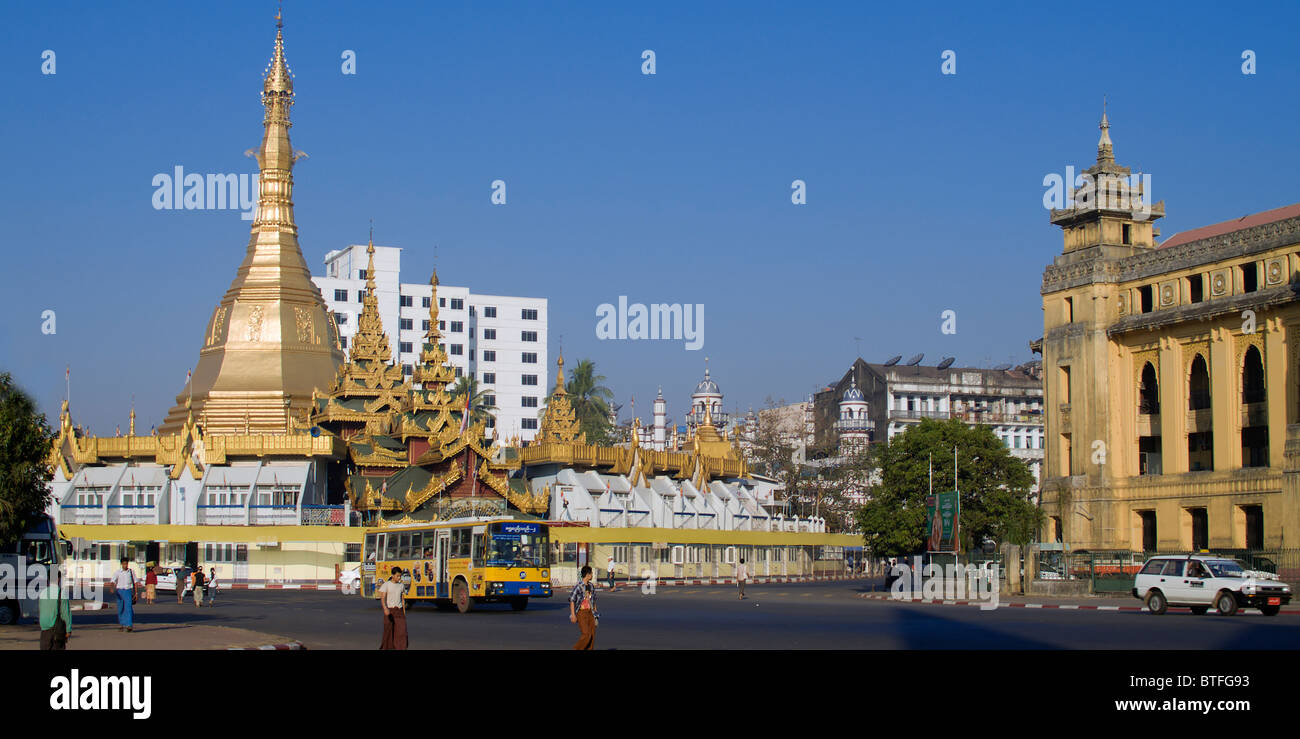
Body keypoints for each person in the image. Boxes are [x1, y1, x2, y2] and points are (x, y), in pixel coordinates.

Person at [39, 570, 72, 650]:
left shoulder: (42, 593)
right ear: (58, 579)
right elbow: (65, 613)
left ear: (48, 579)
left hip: (44, 632)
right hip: (57, 631)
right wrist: (68, 630)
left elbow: (41, 611)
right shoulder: (61, 593)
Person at [570, 565, 599, 650]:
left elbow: (594, 600)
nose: (592, 575)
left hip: (590, 612)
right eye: (591, 574)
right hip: (581, 612)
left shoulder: (591, 586)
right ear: (587, 574)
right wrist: (573, 615)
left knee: (592, 634)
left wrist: (595, 613)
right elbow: (572, 600)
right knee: (586, 634)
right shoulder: (578, 586)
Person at [378, 567, 408, 650]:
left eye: (400, 576)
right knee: (388, 631)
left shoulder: (401, 585)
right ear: (392, 575)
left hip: (399, 611)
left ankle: (401, 648)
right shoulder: (386, 585)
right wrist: (385, 608)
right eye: (397, 576)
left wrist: (404, 613)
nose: (399, 578)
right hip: (390, 610)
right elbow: (383, 598)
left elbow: (402, 599)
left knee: (402, 631)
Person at [111, 558, 136, 632]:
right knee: (121, 608)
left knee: (128, 608)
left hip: (128, 591)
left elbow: (135, 582)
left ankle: (129, 625)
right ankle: (121, 624)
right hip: (119, 591)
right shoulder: (118, 572)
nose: (125, 565)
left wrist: (136, 593)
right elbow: (113, 581)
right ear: (121, 564)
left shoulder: (131, 572)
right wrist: (112, 588)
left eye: (126, 564)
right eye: (124, 564)